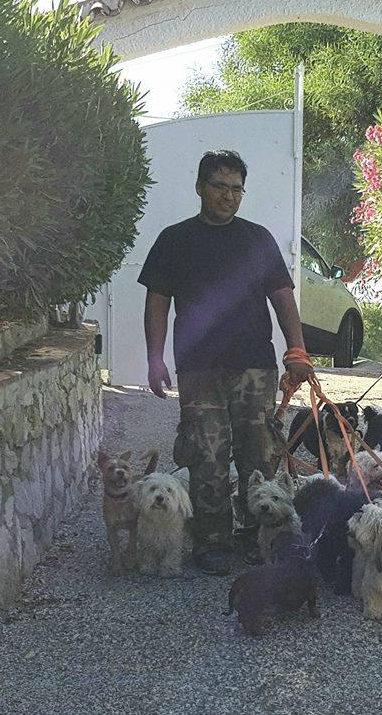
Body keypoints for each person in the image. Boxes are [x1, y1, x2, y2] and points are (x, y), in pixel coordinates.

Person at [138, 150, 313, 576]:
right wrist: (155, 359)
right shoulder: (175, 240)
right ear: (200, 187)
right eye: (219, 186)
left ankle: (257, 536)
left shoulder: (257, 239)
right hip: (198, 368)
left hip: (254, 366)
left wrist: (297, 350)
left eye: (236, 189)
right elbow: (157, 301)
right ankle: (212, 541)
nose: (228, 196)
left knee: (260, 455)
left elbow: (282, 296)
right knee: (207, 457)